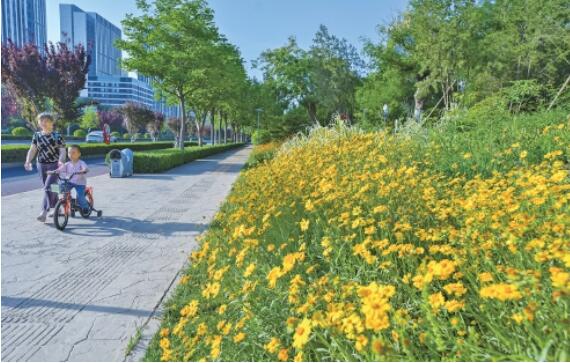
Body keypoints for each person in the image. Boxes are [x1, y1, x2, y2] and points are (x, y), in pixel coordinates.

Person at [24, 113, 67, 222]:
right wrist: (28, 161)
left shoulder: (57, 136)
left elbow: (62, 151)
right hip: (41, 165)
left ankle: (44, 211)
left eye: (46, 120)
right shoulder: (37, 135)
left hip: (54, 165)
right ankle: (58, 207)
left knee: (47, 187)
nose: (43, 123)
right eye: (41, 121)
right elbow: (33, 149)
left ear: (52, 122)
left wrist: (61, 162)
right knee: (52, 187)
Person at [51, 145, 90, 214]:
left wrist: (83, 170)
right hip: (69, 182)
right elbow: (60, 169)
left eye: (73, 153)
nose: (71, 154)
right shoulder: (67, 164)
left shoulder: (81, 163)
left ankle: (85, 207)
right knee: (57, 189)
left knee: (80, 196)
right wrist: (53, 171)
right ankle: (65, 203)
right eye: (69, 153)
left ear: (79, 154)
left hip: (80, 183)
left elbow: (85, 168)